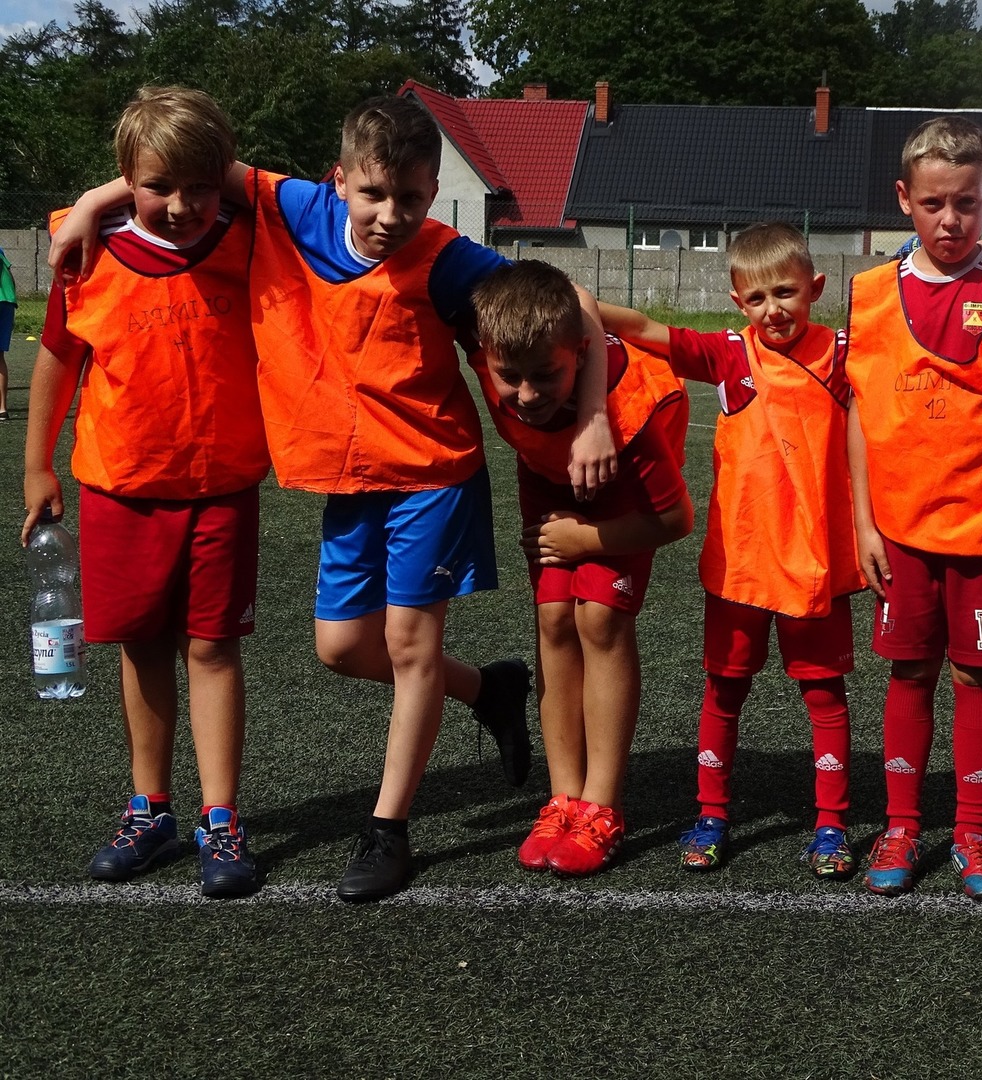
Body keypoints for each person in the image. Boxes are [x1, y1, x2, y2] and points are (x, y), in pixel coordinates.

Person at [53, 94, 621, 902]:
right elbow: (193, 166)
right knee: (342, 649)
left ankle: (388, 830)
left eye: (411, 198)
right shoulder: (299, 209)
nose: (391, 215)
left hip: (432, 475)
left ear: (433, 193)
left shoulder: (447, 258)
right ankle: (487, 689)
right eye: (374, 194)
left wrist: (592, 418)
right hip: (350, 478)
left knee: (409, 646)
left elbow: (575, 304)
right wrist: (91, 202)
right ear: (340, 181)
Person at [23, 87, 268, 899]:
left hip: (220, 485)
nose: (182, 205)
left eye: (201, 185)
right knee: (140, 647)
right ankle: (150, 809)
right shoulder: (87, 254)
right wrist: (36, 465)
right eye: (159, 186)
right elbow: (59, 358)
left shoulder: (249, 240)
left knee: (213, 648)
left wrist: (103, 193)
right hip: (120, 485)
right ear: (129, 179)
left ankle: (221, 818)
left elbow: (283, 192)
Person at [598, 222, 864, 880]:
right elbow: (647, 329)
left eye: (786, 292)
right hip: (741, 564)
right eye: (757, 298)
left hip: (816, 567)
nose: (772, 309)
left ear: (815, 289)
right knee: (724, 689)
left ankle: (831, 823)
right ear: (736, 300)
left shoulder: (844, 355)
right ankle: (712, 814)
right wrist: (578, 303)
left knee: (824, 696)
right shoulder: (729, 355)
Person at [845, 116, 982, 902]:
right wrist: (864, 522)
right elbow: (859, 412)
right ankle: (901, 825)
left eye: (966, 203)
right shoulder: (870, 294)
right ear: (904, 198)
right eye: (933, 203)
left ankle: (972, 831)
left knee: (976, 675)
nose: (950, 220)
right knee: (908, 672)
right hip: (901, 529)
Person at [470, 260, 693, 876]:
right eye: (509, 376)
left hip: (624, 490)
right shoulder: (493, 344)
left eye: (547, 375)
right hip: (546, 474)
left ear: (582, 352)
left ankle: (602, 805)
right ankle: (563, 798)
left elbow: (674, 519)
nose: (527, 394)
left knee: (600, 619)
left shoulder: (631, 412)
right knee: (552, 619)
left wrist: (584, 540)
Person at [0, 241, 15, 420]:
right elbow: (10, 278)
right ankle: (2, 408)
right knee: (0, 356)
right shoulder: (1, 250)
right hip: (8, 301)